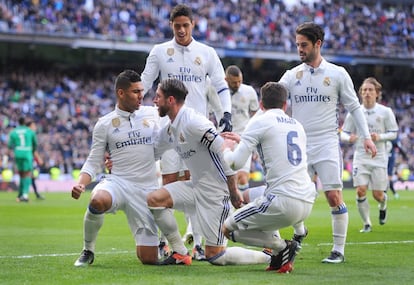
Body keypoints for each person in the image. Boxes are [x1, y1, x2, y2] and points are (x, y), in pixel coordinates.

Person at [278, 22, 377, 263]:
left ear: (318, 44)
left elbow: (354, 107)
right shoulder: (292, 75)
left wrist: (365, 137)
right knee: (291, 196)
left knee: (333, 195)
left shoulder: (337, 73)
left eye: (304, 45)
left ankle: (338, 251)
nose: (299, 49)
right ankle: (300, 231)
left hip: (327, 143)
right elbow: (274, 98)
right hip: (299, 145)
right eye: (297, 45)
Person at [71, 70, 191, 267]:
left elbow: (166, 139)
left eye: (142, 91)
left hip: (146, 190)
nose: (141, 96)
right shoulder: (105, 123)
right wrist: (81, 184)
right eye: (136, 91)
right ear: (121, 93)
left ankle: (174, 249)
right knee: (97, 200)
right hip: (118, 183)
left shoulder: (153, 114)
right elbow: (93, 160)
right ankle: (87, 250)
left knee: (148, 259)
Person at [141, 3, 232, 259]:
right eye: (177, 26)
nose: (181, 30)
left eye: (185, 25)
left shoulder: (207, 52)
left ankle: (199, 243)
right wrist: (133, 112)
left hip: (197, 130)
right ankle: (166, 242)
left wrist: (226, 113)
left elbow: (220, 85)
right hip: (169, 130)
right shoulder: (160, 52)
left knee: (197, 182)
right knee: (168, 184)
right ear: (171, 26)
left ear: (193, 25)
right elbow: (145, 83)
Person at [147, 78, 270, 266]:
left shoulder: (194, 123)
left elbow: (224, 153)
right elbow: (153, 152)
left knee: (215, 256)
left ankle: (271, 256)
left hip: (215, 191)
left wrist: (232, 190)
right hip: (195, 186)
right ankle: (180, 253)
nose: (154, 101)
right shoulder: (171, 129)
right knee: (154, 200)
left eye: (158, 97)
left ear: (170, 100)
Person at [221, 82, 316, 273]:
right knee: (248, 196)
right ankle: (289, 243)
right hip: (307, 201)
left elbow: (235, 164)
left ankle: (282, 247)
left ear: (261, 105)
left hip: (282, 202)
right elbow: (277, 150)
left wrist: (225, 149)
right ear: (285, 105)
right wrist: (246, 141)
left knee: (227, 229)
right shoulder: (297, 125)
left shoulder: (259, 121)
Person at [340, 77, 399, 233]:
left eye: (370, 90)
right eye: (364, 90)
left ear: (377, 93)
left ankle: (383, 204)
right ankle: (367, 223)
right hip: (361, 157)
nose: (367, 93)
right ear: (360, 93)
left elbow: (393, 133)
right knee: (360, 190)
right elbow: (343, 134)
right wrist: (349, 138)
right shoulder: (355, 112)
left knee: (378, 194)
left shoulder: (385, 112)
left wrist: (380, 137)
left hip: (379, 157)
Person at [225, 65, 259, 192]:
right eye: (234, 82)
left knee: (243, 177)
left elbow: (256, 116)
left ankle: (242, 209)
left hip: (242, 138)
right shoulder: (216, 91)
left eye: (240, 81)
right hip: (224, 139)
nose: (238, 84)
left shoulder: (249, 91)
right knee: (226, 177)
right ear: (226, 79)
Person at [7, 117, 38, 202]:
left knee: (21, 175)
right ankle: (25, 195)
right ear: (25, 123)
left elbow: (9, 145)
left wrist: (6, 156)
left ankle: (20, 194)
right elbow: (35, 144)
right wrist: (32, 151)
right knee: (27, 174)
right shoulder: (30, 131)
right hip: (27, 153)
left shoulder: (13, 132)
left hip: (17, 153)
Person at [26, 121, 45, 200]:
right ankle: (24, 194)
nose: (35, 127)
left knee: (30, 176)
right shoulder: (30, 134)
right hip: (27, 158)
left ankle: (33, 193)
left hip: (27, 157)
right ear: (29, 126)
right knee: (28, 176)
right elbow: (33, 150)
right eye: (34, 126)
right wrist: (39, 159)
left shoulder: (27, 134)